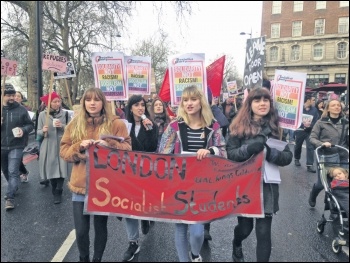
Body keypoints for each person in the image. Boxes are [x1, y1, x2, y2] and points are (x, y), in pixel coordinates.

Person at [60, 88, 132, 262]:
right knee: (81, 230)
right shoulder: (74, 123)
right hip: (80, 185)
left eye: (96, 100)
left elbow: (128, 149)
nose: (92, 103)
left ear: (103, 103)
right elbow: (64, 151)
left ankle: (97, 259)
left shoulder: (116, 124)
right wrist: (79, 146)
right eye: (88, 100)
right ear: (84, 102)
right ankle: (83, 258)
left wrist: (109, 143)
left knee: (100, 227)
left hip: (104, 186)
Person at [158, 85, 227, 262]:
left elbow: (223, 151)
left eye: (193, 99)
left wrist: (211, 150)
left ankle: (195, 254)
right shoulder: (174, 126)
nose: (189, 103)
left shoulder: (213, 126)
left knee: (197, 232)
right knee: (181, 228)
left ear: (201, 102)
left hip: (203, 186)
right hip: (179, 184)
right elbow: (162, 154)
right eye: (186, 100)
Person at [226, 88, 292, 262]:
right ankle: (237, 242)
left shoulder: (277, 128)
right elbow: (230, 154)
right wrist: (248, 149)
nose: (262, 103)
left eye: (265, 100)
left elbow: (287, 157)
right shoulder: (238, 126)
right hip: (246, 185)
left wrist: (273, 154)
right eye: (257, 100)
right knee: (245, 229)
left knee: (263, 233)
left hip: (267, 186)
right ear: (249, 104)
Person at [122, 95, 159, 262]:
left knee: (144, 203)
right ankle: (133, 241)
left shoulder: (152, 126)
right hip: (128, 172)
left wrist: (150, 129)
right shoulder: (123, 126)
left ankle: (145, 217)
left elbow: (151, 148)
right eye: (136, 105)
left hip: (145, 172)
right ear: (130, 108)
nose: (140, 108)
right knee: (128, 206)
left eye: (143, 105)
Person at [308, 99, 349, 207]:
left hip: (343, 156)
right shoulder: (321, 122)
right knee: (323, 183)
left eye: (338, 105)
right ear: (328, 108)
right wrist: (321, 143)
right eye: (333, 105)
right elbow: (312, 138)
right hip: (326, 155)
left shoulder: (346, 122)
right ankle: (313, 194)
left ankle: (334, 206)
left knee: (343, 181)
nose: (337, 107)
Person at [1, 84, 34, 210]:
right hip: (1, 146)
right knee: (5, 171)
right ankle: (13, 187)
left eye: (13, 95)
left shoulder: (21, 109)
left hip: (16, 145)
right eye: (8, 95)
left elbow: (30, 125)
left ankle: (10, 198)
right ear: (2, 96)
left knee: (13, 171)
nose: (12, 97)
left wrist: (23, 129)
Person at [36, 92, 70, 204]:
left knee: (62, 168)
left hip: (62, 144)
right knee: (50, 168)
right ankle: (53, 187)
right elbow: (38, 131)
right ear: (48, 103)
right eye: (54, 102)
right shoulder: (42, 115)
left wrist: (63, 126)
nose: (57, 104)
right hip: (48, 145)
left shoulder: (65, 114)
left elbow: (71, 130)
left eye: (58, 101)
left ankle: (58, 190)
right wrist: (42, 131)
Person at [294, 94, 318, 173]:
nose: (313, 101)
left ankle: (310, 165)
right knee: (298, 145)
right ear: (308, 100)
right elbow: (295, 118)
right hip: (300, 130)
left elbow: (316, 120)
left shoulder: (314, 110)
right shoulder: (299, 108)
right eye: (312, 100)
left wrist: (310, 125)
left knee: (310, 147)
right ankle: (296, 158)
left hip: (310, 131)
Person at [14, 91, 31, 182]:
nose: (16, 97)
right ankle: (18, 173)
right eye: (15, 96)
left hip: (21, 137)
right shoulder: (5, 108)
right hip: (9, 138)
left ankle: (23, 172)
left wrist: (23, 129)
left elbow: (29, 124)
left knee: (17, 157)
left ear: (21, 98)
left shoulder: (25, 109)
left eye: (18, 96)